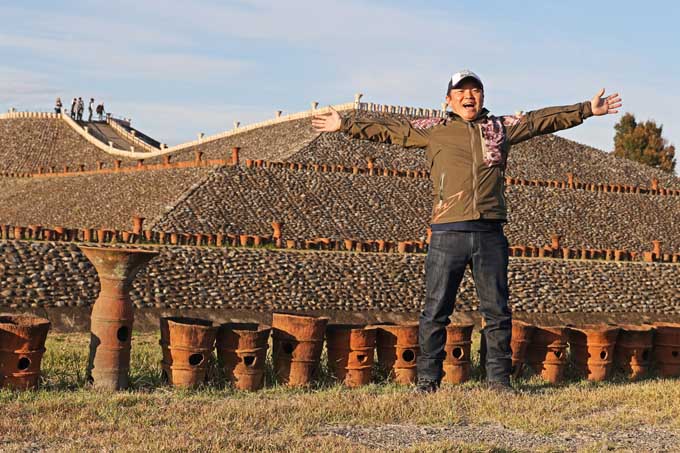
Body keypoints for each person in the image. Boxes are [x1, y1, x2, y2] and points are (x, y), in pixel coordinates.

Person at [312, 70, 622, 392]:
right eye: (461, 91)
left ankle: (499, 381)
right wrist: (345, 124)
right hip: (447, 233)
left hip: (490, 233)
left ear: (483, 98)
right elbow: (392, 130)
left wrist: (587, 109)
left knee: (498, 312)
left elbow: (540, 120)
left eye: (475, 90)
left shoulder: (499, 128)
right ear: (449, 99)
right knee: (435, 311)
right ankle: (428, 381)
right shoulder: (434, 130)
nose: (468, 96)